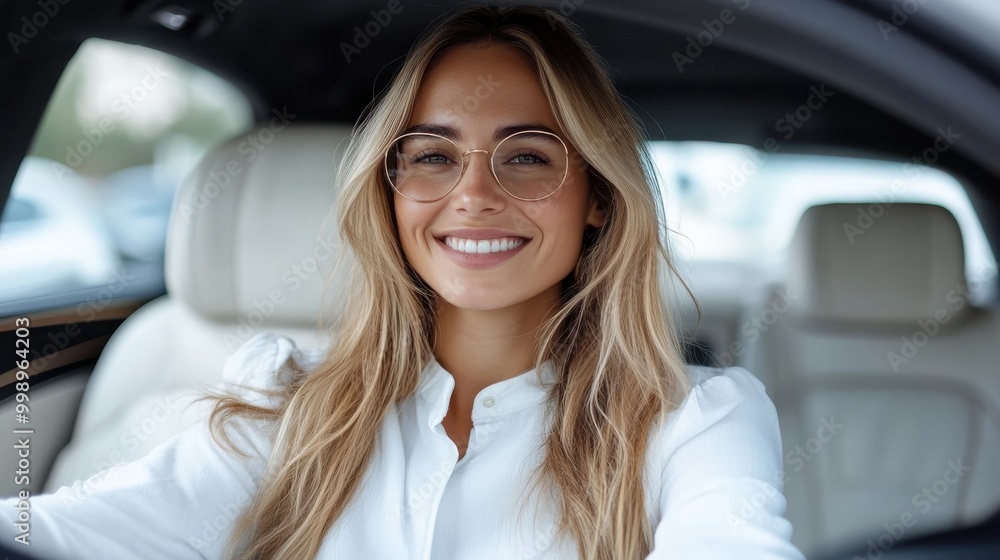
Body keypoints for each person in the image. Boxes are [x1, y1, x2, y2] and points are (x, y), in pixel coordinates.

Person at [0, 5, 805, 560]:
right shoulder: (289, 408)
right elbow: (69, 532)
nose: (475, 194)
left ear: (597, 196)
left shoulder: (695, 424)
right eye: (431, 155)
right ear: (388, 193)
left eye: (527, 154)